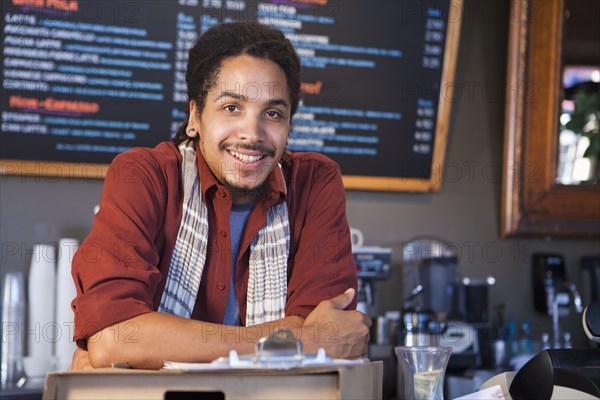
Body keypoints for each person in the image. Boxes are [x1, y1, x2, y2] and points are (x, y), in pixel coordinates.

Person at [69, 21, 370, 371]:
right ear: (195, 115)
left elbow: (331, 339)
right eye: (231, 108)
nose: (252, 134)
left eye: (273, 114)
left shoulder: (315, 182)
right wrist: (296, 340)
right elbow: (115, 338)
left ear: (289, 126)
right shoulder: (142, 174)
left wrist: (149, 346)